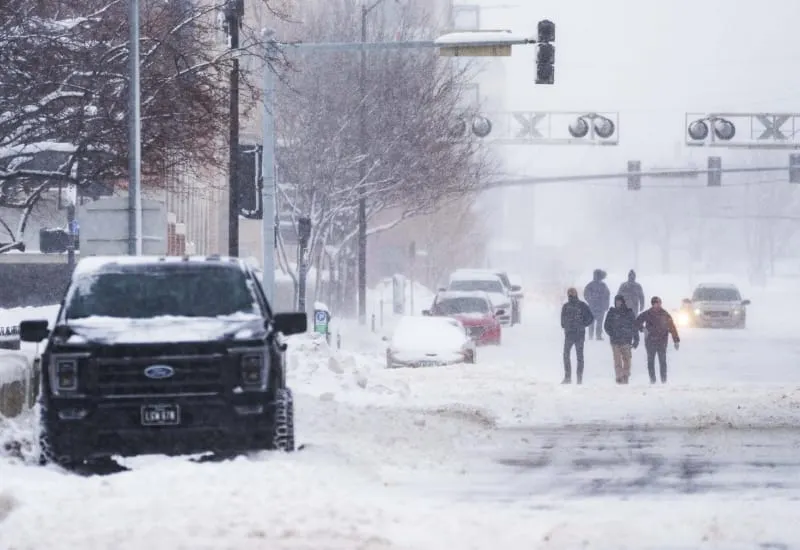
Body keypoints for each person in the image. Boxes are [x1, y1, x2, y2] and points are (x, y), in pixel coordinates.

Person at [635, 296, 680, 384]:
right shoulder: (647, 313)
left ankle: (663, 380)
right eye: (655, 303)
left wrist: (676, 340)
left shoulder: (665, 314)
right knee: (650, 362)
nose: (657, 305)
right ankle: (652, 380)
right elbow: (637, 322)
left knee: (662, 361)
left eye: (659, 303)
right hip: (650, 341)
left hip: (662, 341)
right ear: (653, 304)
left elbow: (672, 327)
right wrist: (643, 329)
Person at [603, 295, 640, 384]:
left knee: (627, 359)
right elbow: (606, 326)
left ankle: (625, 375)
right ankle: (619, 377)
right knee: (617, 360)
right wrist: (612, 333)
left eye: (619, 301)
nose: (618, 303)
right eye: (616, 301)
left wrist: (636, 339)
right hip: (615, 341)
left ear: (623, 302)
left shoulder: (629, 313)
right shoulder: (611, 312)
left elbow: (634, 326)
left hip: (626, 340)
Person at [560, 287, 594, 384]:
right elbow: (562, 320)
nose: (571, 294)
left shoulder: (581, 305)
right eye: (569, 293)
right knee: (568, 355)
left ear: (576, 294)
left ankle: (578, 378)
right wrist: (566, 325)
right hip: (571, 334)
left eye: (572, 293)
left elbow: (590, 318)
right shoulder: (567, 306)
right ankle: (569, 377)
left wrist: (582, 324)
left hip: (578, 334)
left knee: (578, 357)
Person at [583, 269, 610, 340]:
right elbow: (607, 296)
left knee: (594, 322)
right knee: (597, 322)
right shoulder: (602, 285)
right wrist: (605, 305)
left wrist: (590, 300)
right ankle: (596, 336)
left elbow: (607, 296)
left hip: (595, 307)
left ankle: (592, 336)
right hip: (598, 307)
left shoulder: (591, 285)